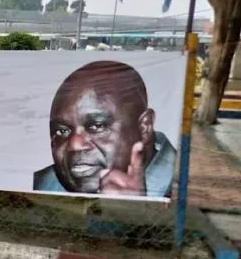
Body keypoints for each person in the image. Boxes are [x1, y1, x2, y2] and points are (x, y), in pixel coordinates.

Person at [33, 61, 177, 198]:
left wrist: (135, 212)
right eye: (62, 131)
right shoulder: (41, 185)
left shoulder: (186, 187)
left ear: (144, 127)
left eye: (97, 126)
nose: (74, 144)